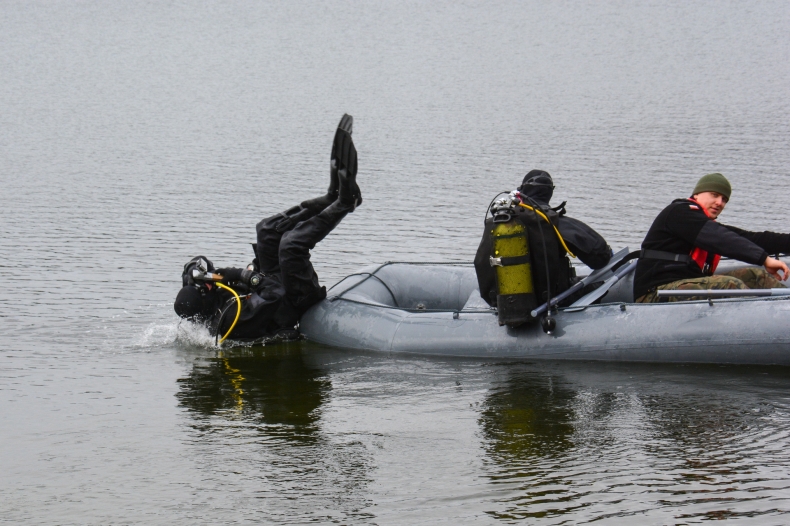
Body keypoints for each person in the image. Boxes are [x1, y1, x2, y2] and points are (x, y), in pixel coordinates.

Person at [173, 114, 363, 340]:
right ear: (204, 300)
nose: (209, 286)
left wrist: (203, 275)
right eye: (205, 289)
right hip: (295, 300)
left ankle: (330, 198)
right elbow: (274, 295)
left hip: (275, 286)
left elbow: (196, 271)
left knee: (266, 230)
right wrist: (246, 276)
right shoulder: (233, 318)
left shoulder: (210, 298)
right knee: (290, 246)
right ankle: (345, 203)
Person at [634, 172, 790, 302]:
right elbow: (722, 239)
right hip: (655, 292)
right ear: (697, 194)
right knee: (729, 284)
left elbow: (751, 239)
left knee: (757, 276)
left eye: (724, 199)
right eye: (714, 195)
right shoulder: (680, 213)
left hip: (685, 284)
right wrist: (764, 259)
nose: (719, 203)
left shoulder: (704, 224)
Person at [475, 169, 613, 309]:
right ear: (550, 192)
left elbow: (480, 262)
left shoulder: (498, 223)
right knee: (600, 284)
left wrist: (494, 299)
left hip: (505, 301)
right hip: (552, 300)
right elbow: (600, 258)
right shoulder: (556, 223)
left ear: (522, 191)